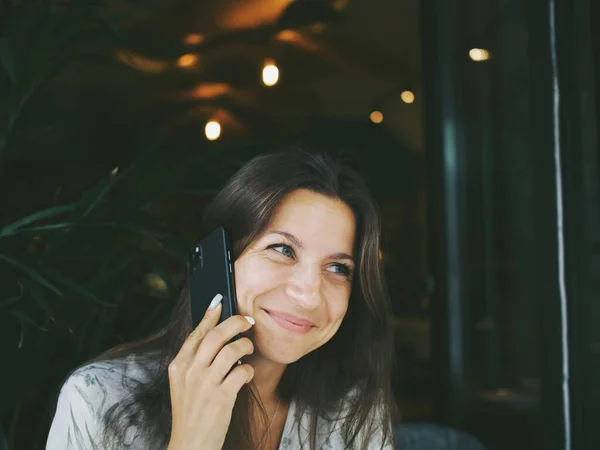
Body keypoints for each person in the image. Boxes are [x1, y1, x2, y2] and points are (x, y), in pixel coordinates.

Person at [46, 147, 398, 450]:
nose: (309, 294)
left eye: (338, 268)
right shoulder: (99, 401)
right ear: (219, 259)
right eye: (282, 249)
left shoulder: (351, 414)